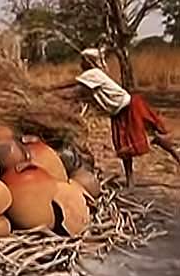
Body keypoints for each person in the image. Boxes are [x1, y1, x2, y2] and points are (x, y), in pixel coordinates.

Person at [50, 48, 180, 189]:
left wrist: (50, 90)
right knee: (125, 147)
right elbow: (78, 91)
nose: (81, 64)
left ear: (88, 61)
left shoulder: (93, 74)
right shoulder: (93, 75)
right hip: (120, 112)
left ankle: (176, 156)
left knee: (147, 138)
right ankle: (131, 180)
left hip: (129, 108)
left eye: (83, 60)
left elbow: (74, 86)